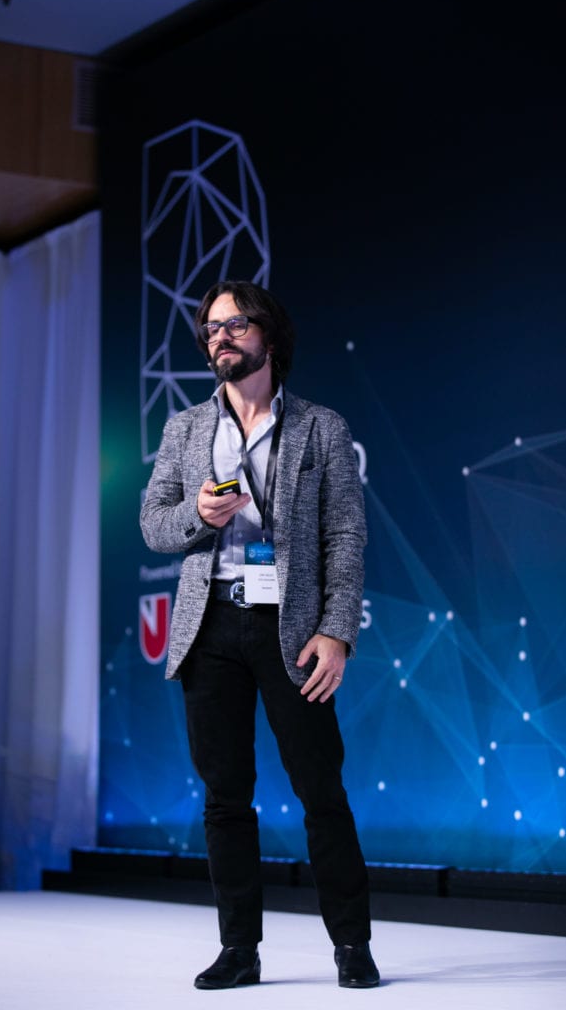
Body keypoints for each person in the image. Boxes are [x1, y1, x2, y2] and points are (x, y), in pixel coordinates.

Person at [140, 280, 379, 990]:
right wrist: (199, 515)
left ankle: (352, 945)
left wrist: (337, 631)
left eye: (235, 324)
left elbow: (345, 534)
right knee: (224, 797)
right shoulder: (185, 429)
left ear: (269, 336)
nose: (220, 337)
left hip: (291, 629)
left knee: (320, 790)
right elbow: (154, 526)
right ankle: (238, 950)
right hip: (209, 626)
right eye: (211, 329)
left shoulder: (319, 427)